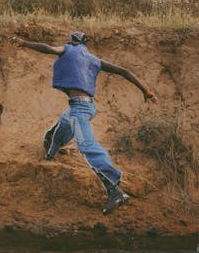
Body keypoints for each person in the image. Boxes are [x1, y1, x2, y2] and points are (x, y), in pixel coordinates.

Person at [10, 31, 157, 215]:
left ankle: (115, 190)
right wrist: (145, 90)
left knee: (87, 146)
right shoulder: (93, 59)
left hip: (80, 109)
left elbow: (48, 48)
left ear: (73, 41)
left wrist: (24, 43)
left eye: (70, 40)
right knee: (54, 133)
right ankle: (50, 155)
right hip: (81, 107)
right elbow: (123, 71)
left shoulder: (69, 49)